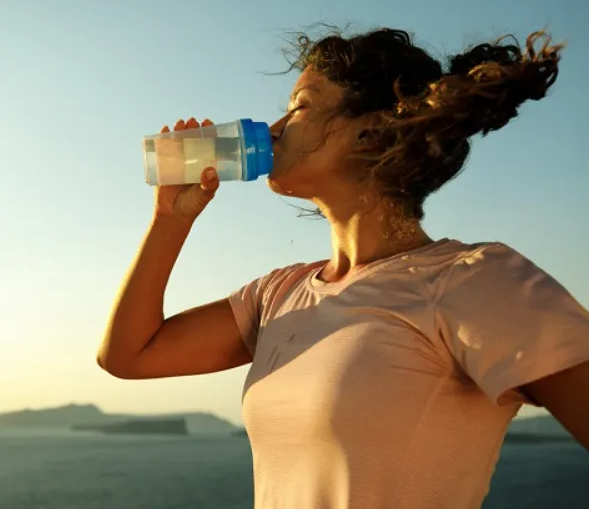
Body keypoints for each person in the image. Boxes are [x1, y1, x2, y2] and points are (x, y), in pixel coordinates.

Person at [97, 28, 589, 509]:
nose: (275, 127)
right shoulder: (279, 293)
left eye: (300, 106)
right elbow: (129, 355)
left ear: (369, 130)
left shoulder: (470, 280)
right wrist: (170, 220)